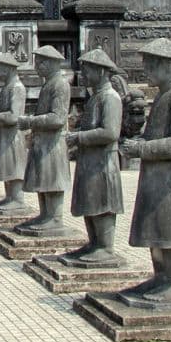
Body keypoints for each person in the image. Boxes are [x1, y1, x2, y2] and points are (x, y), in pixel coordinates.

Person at [118, 38, 171, 305]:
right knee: (156, 228)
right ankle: (161, 277)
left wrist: (142, 149)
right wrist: (139, 142)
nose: (146, 70)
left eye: (151, 65)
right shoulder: (164, 95)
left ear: (168, 65)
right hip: (155, 176)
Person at [62, 49, 124, 265]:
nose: (83, 73)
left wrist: (79, 137)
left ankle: (105, 247)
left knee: (102, 203)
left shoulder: (110, 97)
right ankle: (94, 243)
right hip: (90, 159)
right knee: (90, 201)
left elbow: (110, 133)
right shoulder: (96, 97)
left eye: (87, 69)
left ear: (101, 71)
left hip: (103, 162)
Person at [14, 45, 71, 235]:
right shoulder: (48, 84)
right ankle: (45, 214)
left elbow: (57, 118)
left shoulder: (60, 84)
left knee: (52, 179)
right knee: (43, 179)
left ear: (53, 63)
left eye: (40, 62)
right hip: (43, 140)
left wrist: (30, 121)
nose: (37, 65)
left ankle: (54, 217)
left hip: (53, 143)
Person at [0, 51, 30, 214]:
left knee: (13, 166)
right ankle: (10, 197)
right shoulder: (7, 87)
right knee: (6, 167)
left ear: (9, 69)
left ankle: (17, 199)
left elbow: (13, 116)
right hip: (4, 134)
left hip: (12, 136)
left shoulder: (16, 88)